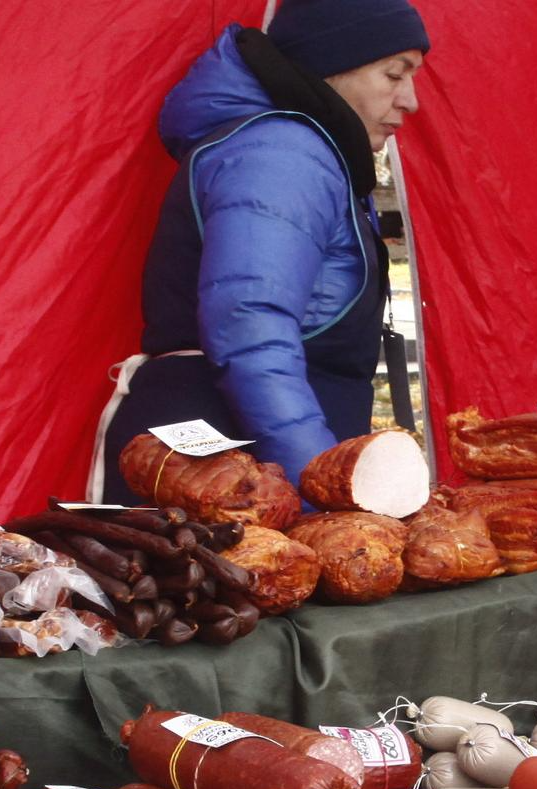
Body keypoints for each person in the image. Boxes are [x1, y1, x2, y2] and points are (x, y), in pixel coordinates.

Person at [89, 0, 429, 503]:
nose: (411, 100)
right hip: (224, 481)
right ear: (332, 67)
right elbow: (251, 329)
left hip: (246, 472)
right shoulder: (282, 154)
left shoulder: (303, 153)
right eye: (394, 74)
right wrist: (320, 488)